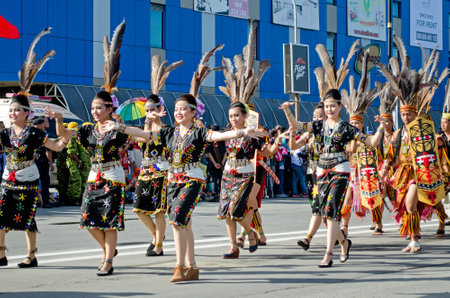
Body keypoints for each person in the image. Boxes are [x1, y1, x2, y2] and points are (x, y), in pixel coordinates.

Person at [103, 94, 265, 281]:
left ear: (193, 112)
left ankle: (179, 268)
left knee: (177, 220)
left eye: (184, 109)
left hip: (192, 180)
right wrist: (119, 127)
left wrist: (242, 132)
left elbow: (219, 135)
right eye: (177, 109)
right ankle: (192, 267)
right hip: (173, 180)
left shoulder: (199, 133)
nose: (179, 112)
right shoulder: (168, 133)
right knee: (185, 224)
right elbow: (144, 135)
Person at [47, 20, 127, 276]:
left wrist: (117, 125)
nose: (94, 111)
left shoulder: (117, 129)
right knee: (89, 219)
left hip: (113, 176)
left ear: (109, 109)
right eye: (92, 108)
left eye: (99, 108)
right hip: (94, 175)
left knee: (110, 221)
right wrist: (59, 121)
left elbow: (132, 139)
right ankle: (108, 251)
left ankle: (108, 261)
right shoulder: (86, 129)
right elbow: (64, 136)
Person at [282, 88, 384, 267]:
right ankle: (344, 243)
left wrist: (381, 127)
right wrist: (287, 111)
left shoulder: (346, 128)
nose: (329, 110)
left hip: (340, 170)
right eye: (327, 106)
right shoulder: (318, 125)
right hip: (321, 171)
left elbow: (371, 143)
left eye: (332, 106)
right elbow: (297, 126)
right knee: (324, 211)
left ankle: (328, 253)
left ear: (340, 106)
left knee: (331, 211)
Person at [378, 38, 448, 252]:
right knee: (406, 207)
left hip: (419, 174)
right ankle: (413, 238)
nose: (406, 117)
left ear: (415, 113)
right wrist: (384, 170)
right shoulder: (398, 133)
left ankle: (417, 238)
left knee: (410, 204)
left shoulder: (425, 132)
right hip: (402, 174)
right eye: (403, 114)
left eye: (409, 114)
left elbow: (433, 154)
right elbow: (391, 155)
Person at [0, 93, 66, 268]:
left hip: (27, 178)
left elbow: (57, 146)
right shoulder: (4, 133)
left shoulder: (35, 133)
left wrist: (63, 132)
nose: (13, 113)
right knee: (1, 215)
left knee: (27, 217)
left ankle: (31, 256)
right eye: (11, 110)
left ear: (26, 113)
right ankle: (1, 254)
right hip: (8, 178)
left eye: (17, 110)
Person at [218, 102, 287, 259]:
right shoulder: (227, 133)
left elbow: (268, 153)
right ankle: (233, 247)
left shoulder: (255, 134)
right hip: (228, 174)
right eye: (231, 116)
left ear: (245, 116)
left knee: (236, 210)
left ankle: (250, 232)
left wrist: (278, 141)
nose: (233, 118)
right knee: (226, 213)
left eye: (236, 115)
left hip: (245, 175)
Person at [293, 103, 326, 250]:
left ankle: (308, 238)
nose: (316, 118)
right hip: (311, 173)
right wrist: (292, 134)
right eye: (314, 116)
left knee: (320, 208)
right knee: (317, 208)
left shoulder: (331, 132)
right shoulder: (309, 134)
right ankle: (341, 239)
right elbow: (293, 146)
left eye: (320, 116)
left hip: (326, 173)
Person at [65, 122, 90, 206]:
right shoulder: (72, 138)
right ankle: (73, 198)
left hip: (83, 163)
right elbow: (71, 152)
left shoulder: (84, 139)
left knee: (84, 181)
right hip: (73, 163)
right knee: (76, 180)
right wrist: (79, 162)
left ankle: (80, 197)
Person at [33, 117, 54, 208]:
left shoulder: (30, 133)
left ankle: (35, 201)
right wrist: (51, 163)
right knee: (45, 181)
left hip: (33, 161)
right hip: (41, 161)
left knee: (34, 182)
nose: (44, 125)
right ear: (39, 125)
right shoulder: (43, 135)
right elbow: (48, 151)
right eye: (42, 123)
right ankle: (45, 202)